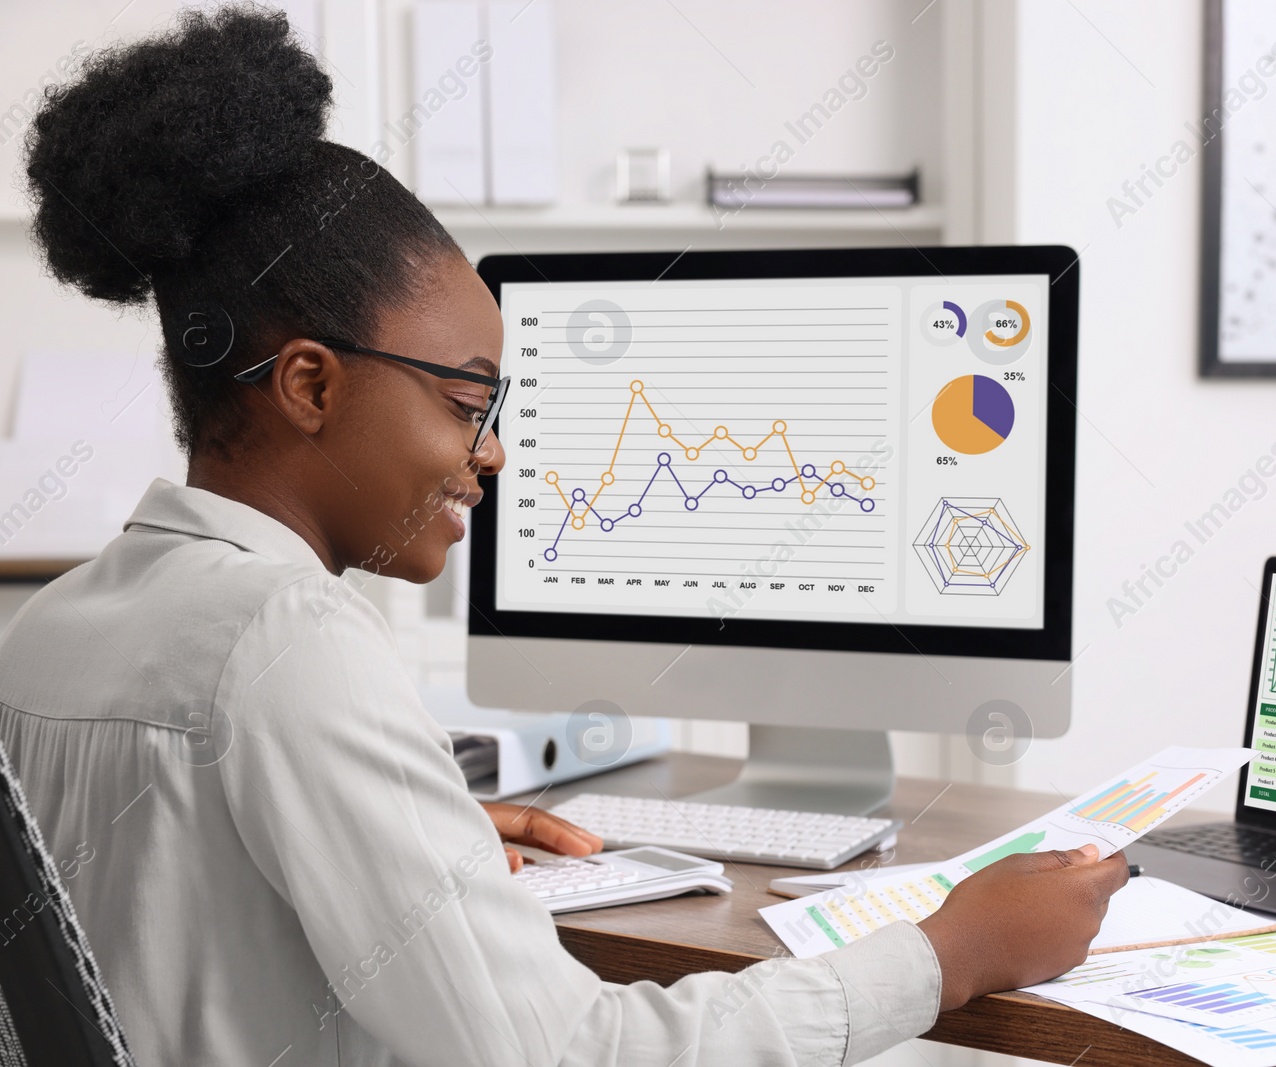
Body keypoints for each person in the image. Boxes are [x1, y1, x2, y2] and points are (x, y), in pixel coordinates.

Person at [0, 6, 1128, 1065]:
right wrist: (949, 953)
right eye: (464, 401)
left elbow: (171, 903)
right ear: (308, 384)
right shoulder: (286, 641)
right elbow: (568, 1051)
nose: (491, 452)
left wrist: (407, 825)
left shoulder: (49, 632)